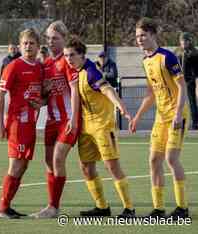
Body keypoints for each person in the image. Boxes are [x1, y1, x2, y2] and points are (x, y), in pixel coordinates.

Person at [65, 35, 135, 218]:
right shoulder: (77, 72)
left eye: (71, 55)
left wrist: (121, 107)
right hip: (86, 127)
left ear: (81, 55)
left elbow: (107, 89)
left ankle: (129, 209)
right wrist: (73, 120)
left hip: (103, 126)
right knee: (86, 167)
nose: (68, 59)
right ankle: (102, 207)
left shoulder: (91, 71)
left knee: (111, 166)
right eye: (66, 56)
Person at [130, 18, 190, 220]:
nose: (139, 39)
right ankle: (158, 209)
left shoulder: (168, 57)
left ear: (153, 35)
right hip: (161, 116)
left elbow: (182, 87)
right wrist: (137, 116)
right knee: (154, 159)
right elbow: (151, 93)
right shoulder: (146, 61)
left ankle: (182, 208)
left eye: (143, 35)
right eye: (137, 36)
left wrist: (177, 114)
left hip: (177, 114)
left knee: (171, 159)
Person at [30, 21, 79, 219]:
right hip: (51, 120)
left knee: (58, 158)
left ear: (64, 39)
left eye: (55, 38)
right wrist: (38, 102)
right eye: (49, 38)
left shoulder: (67, 61)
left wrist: (74, 119)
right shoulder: (47, 65)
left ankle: (53, 207)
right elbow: (48, 95)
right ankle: (52, 205)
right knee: (49, 162)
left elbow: (75, 91)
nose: (51, 42)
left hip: (67, 120)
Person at [0, 28, 43, 219]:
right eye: (25, 43)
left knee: (23, 166)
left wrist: (40, 102)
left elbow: (41, 95)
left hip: (30, 124)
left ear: (38, 46)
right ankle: (2, 208)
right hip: (17, 124)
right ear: (19, 45)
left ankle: (7, 206)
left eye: (32, 43)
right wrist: (0, 122)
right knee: (15, 166)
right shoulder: (14, 66)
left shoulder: (39, 68)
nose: (28, 46)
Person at [174, 32, 198, 130]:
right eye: (182, 41)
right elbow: (174, 65)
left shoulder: (194, 53)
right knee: (177, 102)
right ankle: (177, 121)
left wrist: (193, 79)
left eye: (186, 41)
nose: (183, 43)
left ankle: (195, 123)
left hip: (189, 81)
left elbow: (196, 69)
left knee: (192, 102)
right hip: (178, 80)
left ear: (189, 41)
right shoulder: (177, 52)